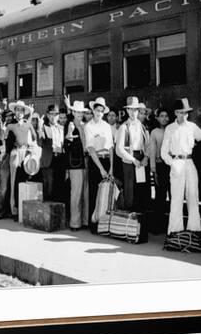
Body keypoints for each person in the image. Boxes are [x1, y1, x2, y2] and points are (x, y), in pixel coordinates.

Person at [161, 98, 201, 236]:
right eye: (181, 112)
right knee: (176, 198)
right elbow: (163, 153)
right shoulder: (170, 129)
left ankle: (194, 230)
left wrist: (197, 147)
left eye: (186, 113)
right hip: (177, 162)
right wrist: (173, 163)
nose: (184, 115)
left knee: (193, 196)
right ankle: (174, 231)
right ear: (176, 113)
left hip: (190, 163)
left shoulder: (192, 127)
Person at [116, 96, 151, 212]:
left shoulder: (142, 126)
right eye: (130, 110)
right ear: (127, 111)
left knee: (141, 189)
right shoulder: (123, 127)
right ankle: (129, 220)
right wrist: (133, 160)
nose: (133, 112)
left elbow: (147, 144)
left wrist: (146, 157)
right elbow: (119, 149)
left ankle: (140, 222)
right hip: (129, 160)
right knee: (129, 190)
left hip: (141, 159)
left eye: (135, 110)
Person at [85, 98, 114, 232]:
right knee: (94, 192)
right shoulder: (88, 126)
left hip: (107, 160)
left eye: (102, 111)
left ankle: (105, 224)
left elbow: (111, 148)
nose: (99, 113)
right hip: (95, 162)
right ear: (93, 110)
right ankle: (94, 224)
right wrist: (101, 169)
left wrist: (111, 167)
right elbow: (91, 149)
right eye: (97, 110)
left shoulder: (107, 126)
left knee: (107, 193)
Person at [5, 100, 37, 218]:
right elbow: (5, 140)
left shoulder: (28, 124)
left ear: (24, 113)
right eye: (17, 110)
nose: (19, 113)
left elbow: (34, 137)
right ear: (15, 112)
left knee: (24, 180)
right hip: (15, 152)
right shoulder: (10, 126)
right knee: (13, 181)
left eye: (22, 111)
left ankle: (24, 209)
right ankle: (14, 209)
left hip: (26, 152)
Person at [63, 99, 89, 230]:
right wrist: (68, 137)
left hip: (86, 161)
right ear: (73, 112)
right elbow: (66, 145)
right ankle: (75, 222)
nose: (79, 114)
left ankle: (85, 221)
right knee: (76, 193)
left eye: (81, 112)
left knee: (85, 192)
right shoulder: (70, 125)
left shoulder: (85, 125)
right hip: (75, 163)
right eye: (77, 112)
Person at [149, 108, 171, 233]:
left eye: (166, 116)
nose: (164, 118)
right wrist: (153, 169)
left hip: (172, 166)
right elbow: (152, 151)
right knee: (160, 196)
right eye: (161, 116)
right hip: (160, 166)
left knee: (173, 195)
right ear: (157, 118)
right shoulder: (155, 132)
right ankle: (158, 225)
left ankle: (172, 226)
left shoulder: (173, 129)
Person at [38, 104, 65, 201]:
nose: (54, 117)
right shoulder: (43, 127)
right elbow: (40, 142)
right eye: (51, 114)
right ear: (48, 115)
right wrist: (39, 129)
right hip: (48, 160)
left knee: (59, 186)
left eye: (56, 114)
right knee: (48, 186)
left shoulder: (61, 128)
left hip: (60, 159)